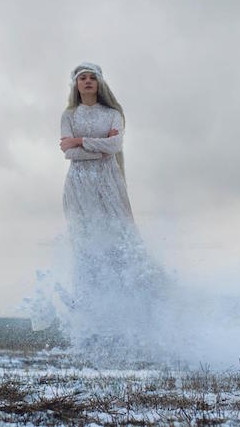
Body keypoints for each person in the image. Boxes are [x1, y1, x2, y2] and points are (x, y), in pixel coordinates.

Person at [56, 61, 167, 352]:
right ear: (76, 85)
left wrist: (80, 140)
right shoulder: (69, 115)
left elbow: (114, 147)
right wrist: (97, 144)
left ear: (100, 83)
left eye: (93, 77)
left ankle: (133, 322)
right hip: (79, 188)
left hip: (109, 184)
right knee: (85, 252)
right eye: (83, 78)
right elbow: (69, 154)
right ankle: (90, 330)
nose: (88, 82)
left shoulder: (113, 114)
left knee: (120, 247)